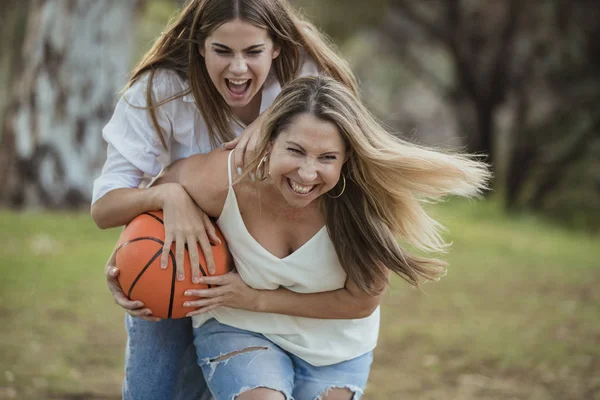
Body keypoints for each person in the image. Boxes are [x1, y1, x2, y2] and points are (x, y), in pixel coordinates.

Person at [154, 75, 491, 400]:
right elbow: (157, 189)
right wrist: (172, 202)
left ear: (346, 159)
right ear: (269, 141)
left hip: (334, 345)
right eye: (296, 151)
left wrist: (256, 299)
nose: (307, 173)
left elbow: (360, 301)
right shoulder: (225, 180)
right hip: (238, 324)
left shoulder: (365, 207)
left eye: (327, 157)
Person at [90, 1, 359, 399]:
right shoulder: (160, 90)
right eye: (222, 51)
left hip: (258, 269)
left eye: (252, 52)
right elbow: (105, 207)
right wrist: (167, 196)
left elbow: (342, 163)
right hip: (175, 258)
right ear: (200, 46)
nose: (237, 68)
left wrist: (273, 118)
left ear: (277, 47)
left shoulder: (307, 77)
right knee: (154, 391)